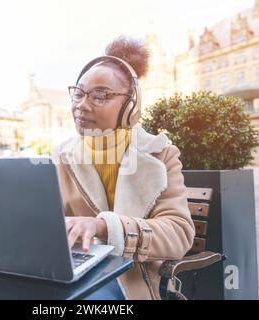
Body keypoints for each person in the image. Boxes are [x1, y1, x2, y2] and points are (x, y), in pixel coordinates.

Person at [53, 36, 195, 300]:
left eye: (99, 96)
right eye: (79, 93)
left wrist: (104, 227)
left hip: (132, 281)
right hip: (74, 271)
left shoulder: (160, 154)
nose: (81, 105)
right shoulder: (62, 156)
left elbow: (179, 233)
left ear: (131, 106)